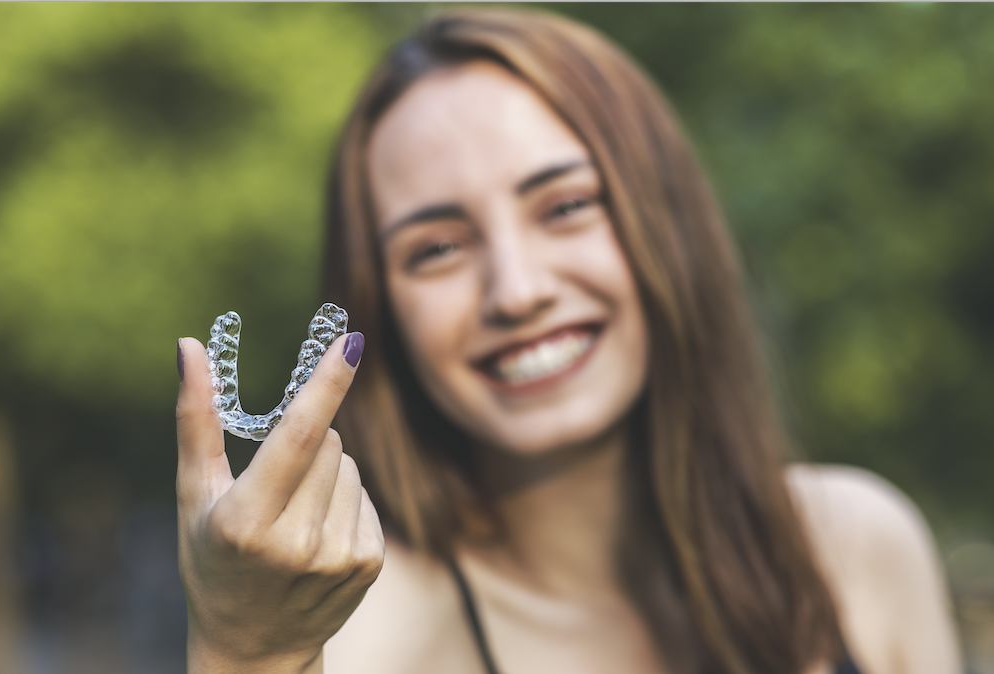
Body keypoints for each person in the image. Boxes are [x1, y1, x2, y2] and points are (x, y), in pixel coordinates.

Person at [175, 10, 961, 674]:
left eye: (566, 205)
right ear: (377, 310)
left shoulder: (856, 548)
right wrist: (244, 653)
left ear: (669, 220)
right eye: (437, 249)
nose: (517, 291)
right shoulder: (359, 633)